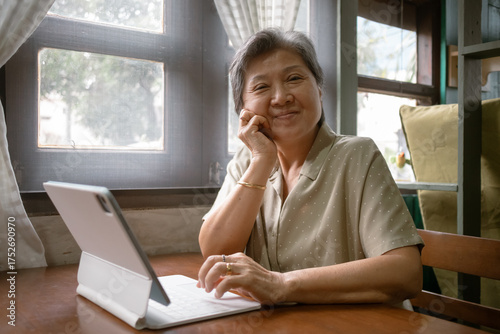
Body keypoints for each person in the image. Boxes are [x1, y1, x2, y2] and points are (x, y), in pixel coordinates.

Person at [197, 28, 423, 309]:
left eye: (294, 78)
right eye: (261, 87)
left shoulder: (357, 155)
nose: (280, 97)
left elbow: (406, 273)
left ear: (318, 90)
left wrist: (280, 284)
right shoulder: (249, 158)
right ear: (242, 108)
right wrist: (261, 162)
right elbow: (216, 253)